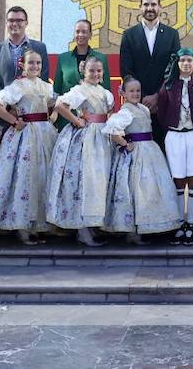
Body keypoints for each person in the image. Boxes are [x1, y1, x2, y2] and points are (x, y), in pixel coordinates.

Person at [0, 48, 57, 245]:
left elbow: (53, 105)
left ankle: (37, 225)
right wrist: (14, 121)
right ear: (22, 65)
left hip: (44, 135)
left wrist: (52, 117)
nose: (35, 66)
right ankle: (21, 226)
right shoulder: (17, 86)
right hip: (26, 136)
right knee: (25, 177)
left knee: (42, 178)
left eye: (38, 63)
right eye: (31, 62)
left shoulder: (45, 86)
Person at [46, 57, 116, 247]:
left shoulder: (104, 92)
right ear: (84, 72)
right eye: (92, 71)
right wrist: (76, 121)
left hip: (102, 138)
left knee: (99, 182)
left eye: (99, 71)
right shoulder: (80, 91)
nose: (95, 74)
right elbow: (60, 106)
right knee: (86, 181)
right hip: (87, 140)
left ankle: (93, 223)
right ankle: (82, 229)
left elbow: (108, 113)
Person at [103, 77, 181, 244]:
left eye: (138, 90)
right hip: (137, 153)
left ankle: (149, 225)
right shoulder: (125, 111)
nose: (135, 94)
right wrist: (125, 144)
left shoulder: (144, 109)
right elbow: (112, 131)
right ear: (123, 93)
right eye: (131, 91)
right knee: (136, 189)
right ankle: (133, 231)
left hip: (150, 150)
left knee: (152, 188)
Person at [157, 48, 193, 245]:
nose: (186, 64)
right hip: (175, 135)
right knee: (179, 179)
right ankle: (180, 221)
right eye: (183, 61)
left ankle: (191, 223)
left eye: (190, 60)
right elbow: (162, 111)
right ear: (178, 64)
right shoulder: (169, 84)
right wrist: (172, 128)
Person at [117, 0, 180, 140]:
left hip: (164, 104)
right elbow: (126, 69)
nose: (150, 8)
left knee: (164, 152)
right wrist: (141, 96)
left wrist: (158, 96)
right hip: (138, 104)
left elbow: (174, 69)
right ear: (140, 7)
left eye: (153, 4)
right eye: (146, 4)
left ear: (160, 7)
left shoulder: (172, 35)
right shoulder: (129, 35)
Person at [0, 5, 51, 97]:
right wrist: (6, 100)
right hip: (3, 107)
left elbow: (43, 78)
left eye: (19, 20)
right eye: (11, 20)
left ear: (26, 23)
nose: (15, 24)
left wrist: (27, 101)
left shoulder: (40, 48)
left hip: (32, 106)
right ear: (6, 23)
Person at [53, 19, 109, 95]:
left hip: (93, 104)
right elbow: (57, 88)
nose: (80, 35)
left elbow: (106, 87)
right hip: (68, 105)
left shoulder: (101, 58)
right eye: (77, 31)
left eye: (84, 32)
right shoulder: (63, 58)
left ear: (90, 34)